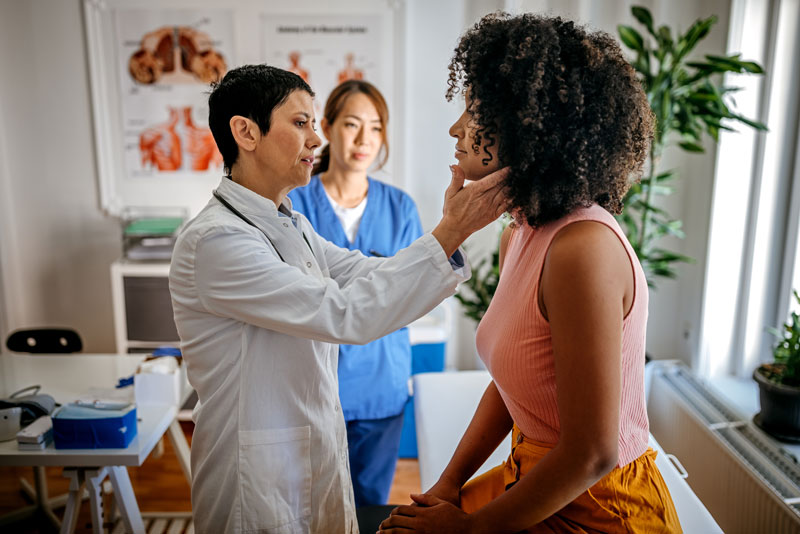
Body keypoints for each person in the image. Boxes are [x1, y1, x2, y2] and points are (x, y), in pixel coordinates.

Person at [168, 64, 508, 534]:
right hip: (257, 474)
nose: (316, 140)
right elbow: (344, 313)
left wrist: (450, 234)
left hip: (309, 450)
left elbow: (366, 273)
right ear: (246, 132)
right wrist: (453, 229)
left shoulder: (291, 225)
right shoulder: (216, 242)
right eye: (301, 123)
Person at [379, 13, 682, 534]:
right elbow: (518, 382)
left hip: (599, 505)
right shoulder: (519, 230)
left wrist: (466, 529)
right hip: (535, 472)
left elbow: (592, 454)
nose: (456, 128)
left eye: (474, 111)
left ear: (527, 126)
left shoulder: (582, 249)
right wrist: (448, 482)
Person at [288, 80, 421, 508]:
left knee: (368, 503)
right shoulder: (294, 204)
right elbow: (292, 295)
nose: (365, 139)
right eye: (351, 124)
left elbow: (413, 295)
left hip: (381, 385)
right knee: (309, 503)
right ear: (326, 126)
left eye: (376, 127)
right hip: (311, 386)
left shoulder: (401, 208)